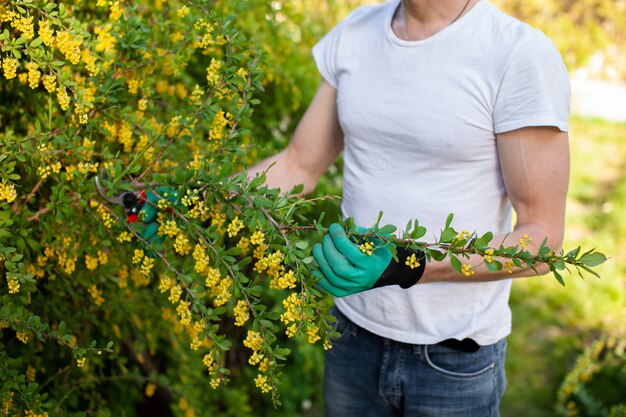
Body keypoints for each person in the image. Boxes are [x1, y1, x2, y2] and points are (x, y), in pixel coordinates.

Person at [247, 0, 570, 415]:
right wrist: (200, 201)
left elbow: (541, 240)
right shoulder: (356, 32)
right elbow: (298, 164)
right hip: (350, 336)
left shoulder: (516, 53)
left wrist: (409, 265)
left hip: (452, 359)